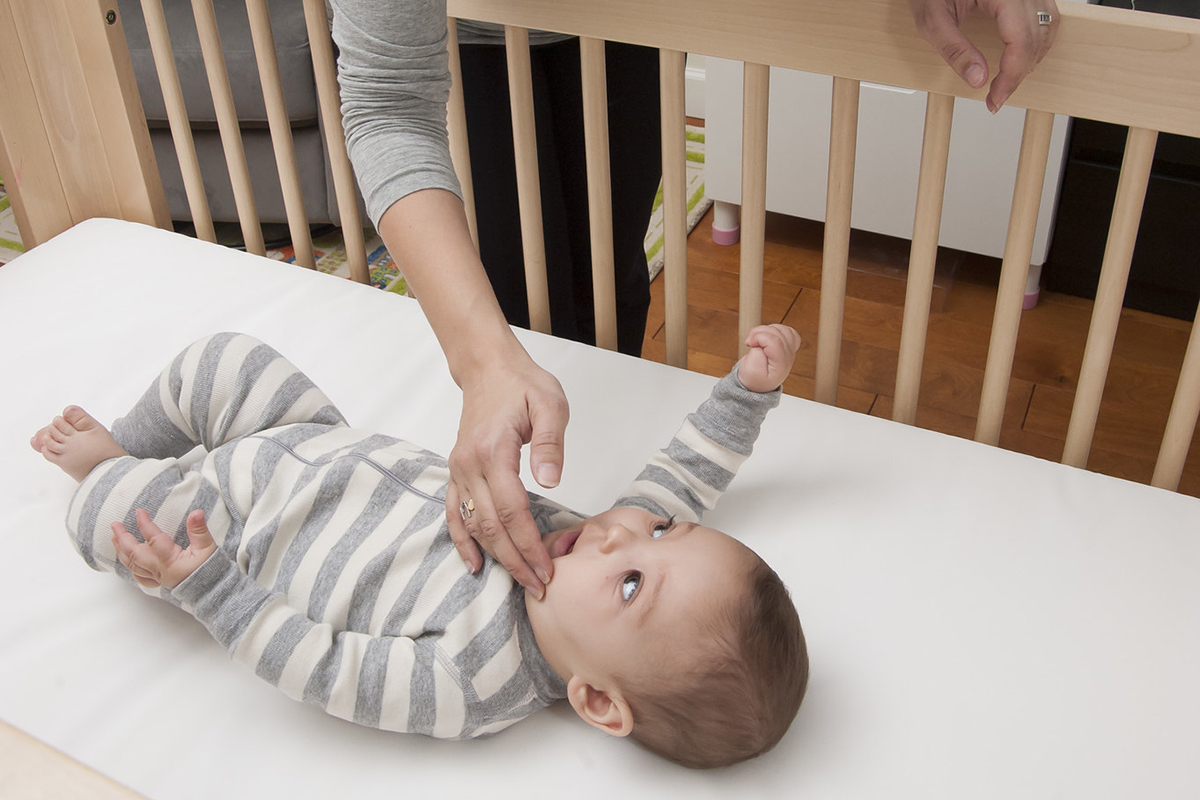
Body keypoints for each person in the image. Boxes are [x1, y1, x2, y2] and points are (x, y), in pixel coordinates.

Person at [329, 0, 1061, 602]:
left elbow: (684, 473)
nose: (619, 544)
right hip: (474, 38)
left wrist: (743, 397)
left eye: (634, 589)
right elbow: (387, 101)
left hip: (629, 23)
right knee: (523, 301)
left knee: (610, 266)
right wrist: (485, 363)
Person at [31, 325, 807, 768]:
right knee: (223, 361)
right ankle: (137, 437)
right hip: (308, 434)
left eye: (634, 583)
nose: (622, 532)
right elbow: (682, 477)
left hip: (228, 529)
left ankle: (108, 465)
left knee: (115, 520)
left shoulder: (473, 683)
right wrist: (746, 394)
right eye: (662, 531)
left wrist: (212, 589)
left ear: (597, 699)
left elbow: (327, 669)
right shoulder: (588, 543)